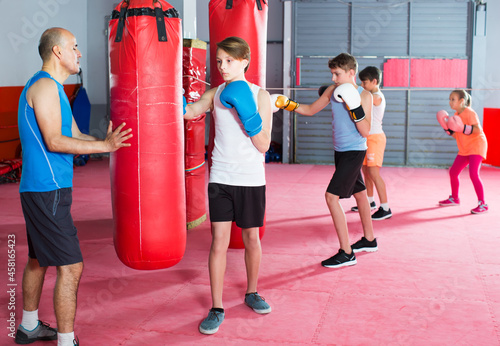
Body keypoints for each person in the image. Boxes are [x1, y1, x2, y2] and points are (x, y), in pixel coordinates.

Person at [16, 27, 132, 345]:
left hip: (44, 189)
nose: (79, 53)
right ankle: (66, 341)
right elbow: (54, 141)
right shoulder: (43, 87)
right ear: (58, 52)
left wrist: (110, 143)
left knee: (39, 259)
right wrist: (105, 148)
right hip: (46, 190)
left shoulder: (54, 88)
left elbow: (77, 135)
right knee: (72, 266)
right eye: (75, 47)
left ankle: (27, 326)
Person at [183, 36, 273, 335]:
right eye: (219, 61)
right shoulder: (215, 93)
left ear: (245, 60)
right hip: (220, 177)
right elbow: (190, 112)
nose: (222, 66)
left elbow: (263, 145)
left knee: (251, 239)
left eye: (229, 61)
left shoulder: (261, 96)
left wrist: (246, 112)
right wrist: (170, 91)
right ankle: (217, 306)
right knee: (218, 242)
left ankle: (252, 292)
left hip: (250, 178)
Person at [275, 53, 377, 268]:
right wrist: (289, 104)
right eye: (332, 74)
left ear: (351, 73)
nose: (333, 78)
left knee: (332, 197)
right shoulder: (332, 91)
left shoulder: (364, 96)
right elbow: (311, 110)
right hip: (340, 151)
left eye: (337, 74)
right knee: (359, 193)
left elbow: (365, 130)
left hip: (354, 151)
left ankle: (346, 252)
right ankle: (369, 239)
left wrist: (353, 107)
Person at [350, 66, 392, 220]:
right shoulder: (369, 93)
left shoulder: (377, 96)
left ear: (374, 81)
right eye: (361, 82)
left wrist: (348, 87)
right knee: (366, 172)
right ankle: (370, 202)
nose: (363, 85)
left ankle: (386, 208)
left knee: (374, 173)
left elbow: (362, 97)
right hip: (366, 137)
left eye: (365, 82)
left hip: (375, 139)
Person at [436, 89, 488, 214]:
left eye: (453, 99)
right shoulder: (456, 116)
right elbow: (457, 135)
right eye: (449, 99)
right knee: (453, 172)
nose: (450, 102)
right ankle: (455, 198)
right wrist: (446, 128)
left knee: (473, 174)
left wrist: (463, 127)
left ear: (462, 101)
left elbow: (477, 130)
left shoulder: (469, 112)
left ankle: (483, 204)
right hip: (465, 148)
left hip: (476, 146)